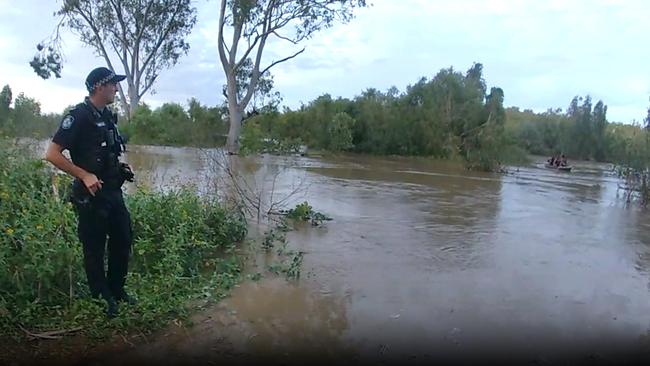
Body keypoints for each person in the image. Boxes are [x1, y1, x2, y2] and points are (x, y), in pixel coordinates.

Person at [45, 66, 135, 318]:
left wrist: (120, 167)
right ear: (98, 86)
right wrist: (84, 175)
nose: (116, 88)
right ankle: (101, 296)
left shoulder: (107, 116)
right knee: (94, 247)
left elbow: (105, 152)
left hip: (113, 191)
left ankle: (116, 290)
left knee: (123, 239)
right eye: (112, 84)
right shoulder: (78, 116)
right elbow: (52, 154)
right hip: (90, 195)